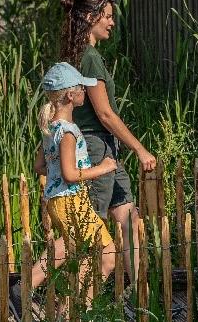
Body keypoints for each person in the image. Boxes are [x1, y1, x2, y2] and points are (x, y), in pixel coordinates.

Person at [10, 63, 118, 316]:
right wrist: (102, 168)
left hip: (57, 201)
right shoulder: (68, 131)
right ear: (71, 95)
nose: (85, 91)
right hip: (71, 200)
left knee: (70, 246)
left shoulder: (51, 127)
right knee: (107, 254)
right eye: (81, 87)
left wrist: (63, 172)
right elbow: (70, 175)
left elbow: (40, 165)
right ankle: (74, 312)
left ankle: (25, 288)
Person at [61, 0, 155, 280]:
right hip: (96, 148)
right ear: (91, 17)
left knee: (129, 219)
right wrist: (140, 149)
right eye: (108, 16)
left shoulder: (85, 55)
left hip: (107, 149)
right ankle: (66, 301)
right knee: (89, 229)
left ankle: (141, 300)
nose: (113, 23)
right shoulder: (89, 58)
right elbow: (105, 114)